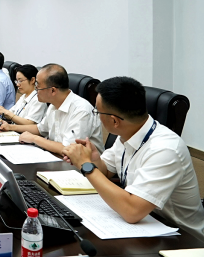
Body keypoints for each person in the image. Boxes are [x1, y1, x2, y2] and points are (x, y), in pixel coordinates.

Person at [62, 77, 204, 241]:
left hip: (182, 238)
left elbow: (132, 212)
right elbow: (106, 171)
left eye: (98, 112)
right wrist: (93, 159)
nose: (97, 116)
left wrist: (86, 165)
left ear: (114, 121)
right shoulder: (128, 133)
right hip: (148, 223)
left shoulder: (165, 149)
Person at [0, 63, 103, 154]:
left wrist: (34, 138)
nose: (36, 89)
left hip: (81, 167)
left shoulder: (81, 110)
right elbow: (40, 129)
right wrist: (10, 127)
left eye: (38, 85)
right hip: (55, 157)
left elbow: (69, 149)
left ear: (53, 90)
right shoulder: (53, 105)